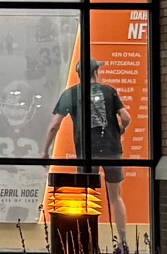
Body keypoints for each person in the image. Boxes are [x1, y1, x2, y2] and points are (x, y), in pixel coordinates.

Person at [51, 59, 129, 194]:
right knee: (116, 196)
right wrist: (122, 128)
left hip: (87, 151)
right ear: (95, 72)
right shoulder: (109, 91)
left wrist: (46, 151)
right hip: (112, 149)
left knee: (87, 195)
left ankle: (90, 216)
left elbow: (55, 125)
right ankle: (119, 216)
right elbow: (126, 117)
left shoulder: (71, 94)